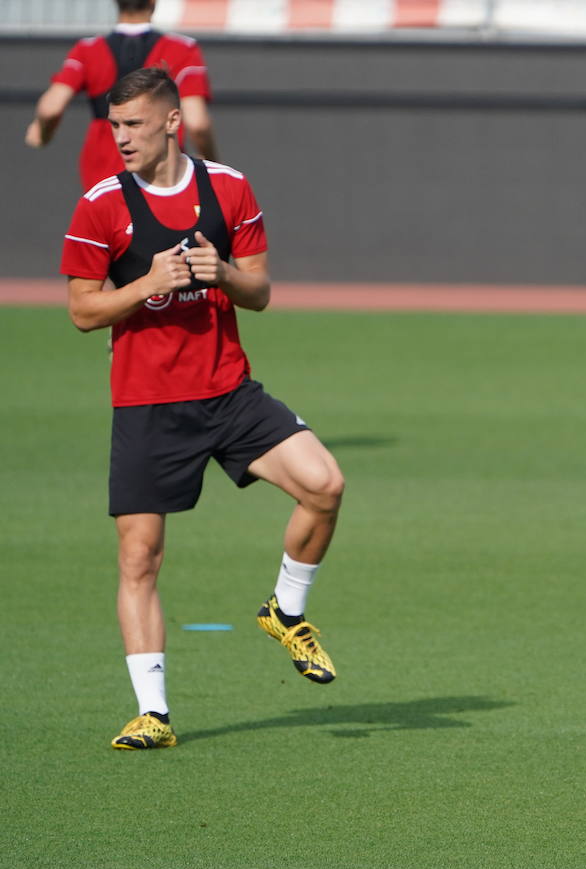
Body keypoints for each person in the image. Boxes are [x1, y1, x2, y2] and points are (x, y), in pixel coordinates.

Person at [60, 67, 344, 750]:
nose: (119, 137)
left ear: (170, 122)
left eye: (131, 124)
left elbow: (262, 292)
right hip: (147, 403)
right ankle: (153, 713)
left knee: (325, 485)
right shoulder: (101, 204)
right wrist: (148, 284)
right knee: (141, 558)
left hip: (228, 391)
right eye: (113, 125)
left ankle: (286, 609)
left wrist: (227, 275)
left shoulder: (229, 188)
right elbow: (80, 310)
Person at [25, 0, 217, 191]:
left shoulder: (87, 49)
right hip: (159, 172)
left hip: (102, 174)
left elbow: (51, 108)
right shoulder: (182, 49)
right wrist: (211, 165)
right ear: (153, 3)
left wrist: (43, 134)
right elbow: (197, 123)